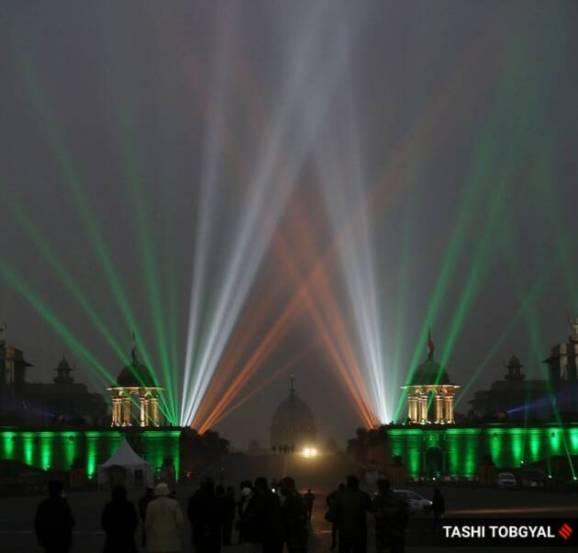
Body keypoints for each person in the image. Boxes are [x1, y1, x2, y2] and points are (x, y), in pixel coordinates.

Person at [333, 475, 372, 553]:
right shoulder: (363, 496)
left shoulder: (340, 495)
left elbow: (331, 514)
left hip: (345, 531)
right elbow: (371, 509)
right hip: (359, 531)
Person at [34, 480, 75, 553]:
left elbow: (38, 524)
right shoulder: (63, 504)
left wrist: (40, 537)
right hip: (62, 540)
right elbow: (70, 522)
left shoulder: (44, 504)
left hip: (48, 540)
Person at [145, 482, 184, 553]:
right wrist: (179, 533)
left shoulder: (151, 504)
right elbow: (180, 521)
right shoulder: (174, 503)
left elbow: (148, 523)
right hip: (171, 538)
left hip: (156, 538)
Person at [188, 478, 224, 553]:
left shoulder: (195, 498)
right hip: (214, 534)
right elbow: (221, 516)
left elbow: (191, 514)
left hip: (199, 532)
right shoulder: (216, 499)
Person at [372, 479, 408, 553]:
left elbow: (374, 511)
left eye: (379, 486)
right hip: (395, 531)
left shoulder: (378, 499)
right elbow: (405, 514)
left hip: (384, 532)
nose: (379, 488)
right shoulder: (398, 497)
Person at [101, 484, 139, 553]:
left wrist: (110, 531)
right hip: (127, 538)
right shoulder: (129, 506)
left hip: (112, 539)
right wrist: (129, 531)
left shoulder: (109, 506)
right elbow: (135, 521)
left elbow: (104, 522)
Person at [254, 476, 285, 553]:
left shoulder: (263, 498)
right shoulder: (274, 496)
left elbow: (260, 515)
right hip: (277, 533)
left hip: (269, 534)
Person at [280, 477, 308, 553]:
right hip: (297, 533)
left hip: (295, 533)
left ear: (287, 485)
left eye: (282, 485)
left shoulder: (292, 497)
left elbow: (292, 516)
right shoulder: (294, 495)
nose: (281, 488)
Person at [326, 483, 345, 550]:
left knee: (335, 530)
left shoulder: (336, 493)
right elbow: (328, 498)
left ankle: (334, 544)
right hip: (342, 514)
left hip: (338, 514)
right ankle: (337, 544)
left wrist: (331, 506)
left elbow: (328, 498)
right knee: (340, 531)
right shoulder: (345, 493)